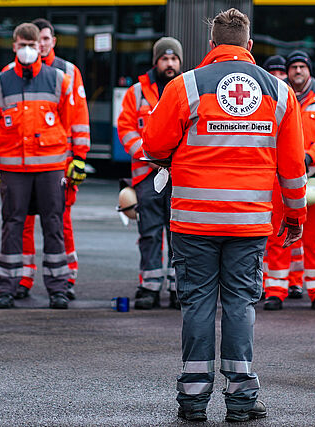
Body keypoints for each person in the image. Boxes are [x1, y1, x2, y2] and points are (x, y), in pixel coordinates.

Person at [142, 8, 304, 422]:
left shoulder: (186, 86)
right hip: (248, 222)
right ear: (249, 46)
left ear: (211, 46)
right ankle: (241, 400)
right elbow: (292, 168)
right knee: (239, 305)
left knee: (196, 304)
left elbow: (154, 145)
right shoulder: (280, 93)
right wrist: (295, 217)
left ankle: (193, 400)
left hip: (193, 220)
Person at [0, 23, 80, 310]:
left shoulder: (60, 80)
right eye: (22, 44)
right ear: (14, 46)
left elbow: (73, 122)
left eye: (32, 43)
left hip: (51, 168)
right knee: (12, 227)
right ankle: (7, 288)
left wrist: (78, 157)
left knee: (54, 226)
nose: (28, 49)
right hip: (14, 169)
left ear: (41, 45)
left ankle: (58, 289)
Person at [13, 18, 91, 301]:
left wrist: (78, 158)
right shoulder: (14, 73)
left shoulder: (68, 72)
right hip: (25, 163)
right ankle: (23, 276)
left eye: (46, 39)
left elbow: (79, 120)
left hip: (59, 163)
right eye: (37, 41)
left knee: (61, 222)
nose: (41, 45)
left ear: (52, 41)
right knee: (23, 223)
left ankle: (66, 276)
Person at [261, 50, 315, 311]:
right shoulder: (276, 98)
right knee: (277, 235)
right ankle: (275, 291)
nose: (296, 71)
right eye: (292, 67)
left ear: (309, 70)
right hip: (280, 177)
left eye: (301, 67)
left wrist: (309, 156)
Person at [118, 37, 183, 310]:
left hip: (180, 175)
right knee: (150, 233)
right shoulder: (136, 93)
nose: (170, 64)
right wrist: (150, 156)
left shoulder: (186, 89)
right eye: (164, 59)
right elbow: (126, 129)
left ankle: (178, 289)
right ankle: (149, 287)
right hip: (147, 175)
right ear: (156, 62)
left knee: (179, 234)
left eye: (174, 59)